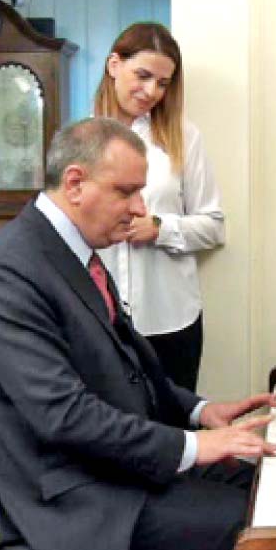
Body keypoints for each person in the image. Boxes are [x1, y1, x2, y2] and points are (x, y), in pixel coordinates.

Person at [0, 117, 276, 550]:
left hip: (112, 464)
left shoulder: (73, 249)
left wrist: (201, 412)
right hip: (66, 493)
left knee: (266, 488)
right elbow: (63, 414)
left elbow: (129, 370)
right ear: (75, 184)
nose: (141, 209)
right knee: (251, 525)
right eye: (126, 192)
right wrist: (190, 445)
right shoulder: (7, 271)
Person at [94, 22, 224, 392]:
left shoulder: (183, 136)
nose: (152, 91)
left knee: (175, 433)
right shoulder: (80, 139)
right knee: (110, 437)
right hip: (101, 323)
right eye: (143, 75)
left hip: (172, 319)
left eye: (163, 83)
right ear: (114, 64)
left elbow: (214, 225)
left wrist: (161, 228)